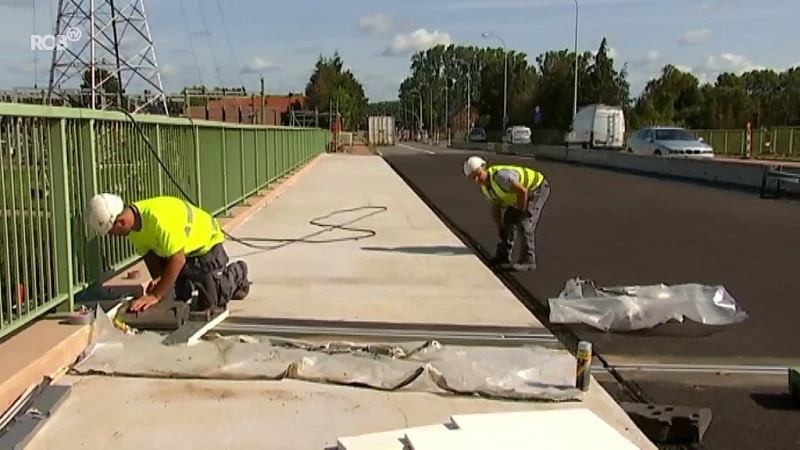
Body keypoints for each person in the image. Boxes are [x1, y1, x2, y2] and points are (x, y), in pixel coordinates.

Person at [85, 193, 251, 313]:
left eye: (111, 231)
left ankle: (237, 272)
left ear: (121, 222)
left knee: (212, 305)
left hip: (205, 248)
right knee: (177, 297)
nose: (112, 236)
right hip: (181, 254)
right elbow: (149, 254)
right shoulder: (133, 228)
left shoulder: (158, 220)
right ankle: (189, 281)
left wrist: (155, 295)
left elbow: (177, 260)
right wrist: (158, 277)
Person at [462, 156, 550, 271]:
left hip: (536, 188)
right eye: (473, 178)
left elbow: (522, 191)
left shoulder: (501, 177)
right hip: (518, 195)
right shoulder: (485, 188)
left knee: (524, 223)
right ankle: (503, 255)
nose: (477, 179)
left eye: (478, 174)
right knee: (508, 222)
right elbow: (495, 208)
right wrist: (500, 228)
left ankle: (528, 260)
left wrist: (520, 210)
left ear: (484, 168)